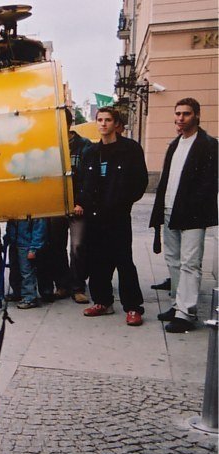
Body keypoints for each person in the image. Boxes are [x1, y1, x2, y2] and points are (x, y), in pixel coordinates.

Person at [149, 97, 218, 333]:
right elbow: (166, 180)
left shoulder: (208, 145)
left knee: (190, 263)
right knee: (174, 260)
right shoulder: (174, 144)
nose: (180, 118)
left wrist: (194, 205)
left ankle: (186, 312)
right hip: (169, 210)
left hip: (193, 214)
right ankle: (177, 304)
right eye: (177, 114)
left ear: (196, 116)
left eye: (186, 114)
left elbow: (210, 183)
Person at [79, 107, 148, 326]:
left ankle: (133, 307)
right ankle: (102, 301)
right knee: (97, 261)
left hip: (117, 216)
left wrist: (123, 202)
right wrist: (83, 202)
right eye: (99, 120)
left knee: (124, 261)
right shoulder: (91, 152)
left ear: (116, 123)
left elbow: (140, 182)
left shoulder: (130, 149)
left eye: (108, 120)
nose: (103, 124)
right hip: (95, 216)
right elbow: (84, 182)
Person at [67, 120, 94, 304]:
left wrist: (81, 201)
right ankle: (62, 283)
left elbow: (89, 178)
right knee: (53, 245)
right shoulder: (50, 144)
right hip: (56, 203)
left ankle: (77, 286)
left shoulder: (85, 146)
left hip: (77, 204)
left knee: (78, 245)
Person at [5, 218, 47, 309]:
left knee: (26, 272)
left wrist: (34, 248)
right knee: (15, 269)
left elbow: (39, 229)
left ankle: (30, 297)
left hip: (26, 244)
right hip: (15, 242)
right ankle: (18, 292)